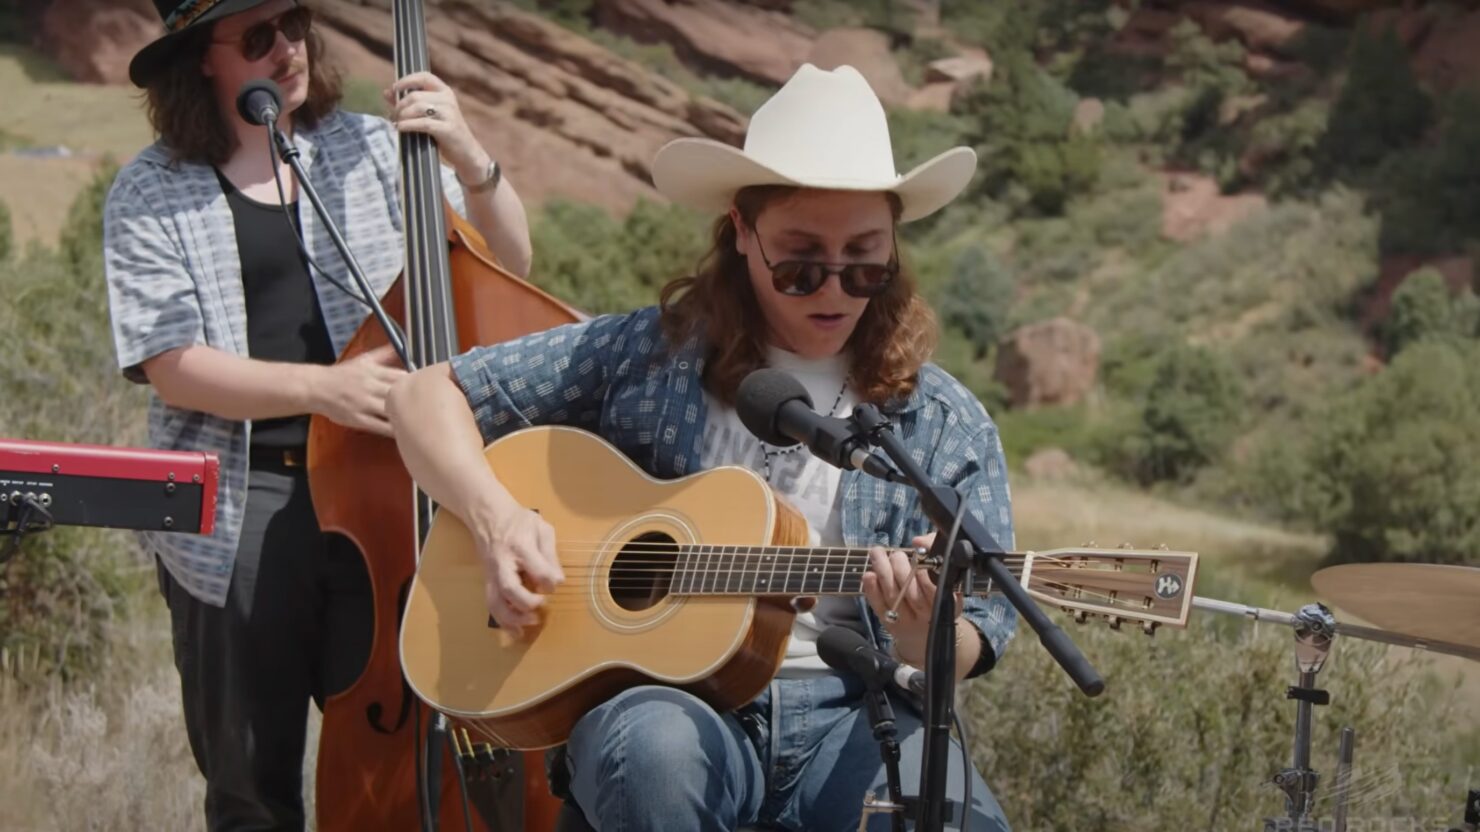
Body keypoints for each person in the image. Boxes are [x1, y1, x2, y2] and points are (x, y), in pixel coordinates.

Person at [388, 63, 1016, 831]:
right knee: (655, 756)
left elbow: (983, 631)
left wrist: (926, 634)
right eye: (801, 262)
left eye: (864, 261)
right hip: (670, 705)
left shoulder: (943, 419)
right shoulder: (647, 353)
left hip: (859, 712)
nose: (833, 289)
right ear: (742, 232)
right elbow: (423, 396)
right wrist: (497, 521)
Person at [102, 0, 533, 827]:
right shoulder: (149, 189)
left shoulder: (371, 147)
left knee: (394, 768)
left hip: (386, 495)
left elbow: (508, 262)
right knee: (249, 786)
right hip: (243, 505)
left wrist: (471, 156)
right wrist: (321, 390)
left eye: (294, 23)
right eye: (258, 37)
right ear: (201, 59)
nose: (288, 50)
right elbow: (170, 366)